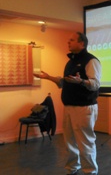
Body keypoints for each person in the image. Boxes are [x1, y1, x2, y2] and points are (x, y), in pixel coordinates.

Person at [34, 32, 101, 175]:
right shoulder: (70, 62)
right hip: (69, 107)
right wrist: (47, 77)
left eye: (71, 40)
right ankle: (72, 169)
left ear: (82, 43)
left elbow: (95, 84)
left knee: (85, 142)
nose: (68, 42)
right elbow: (63, 82)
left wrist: (81, 81)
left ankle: (90, 172)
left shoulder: (91, 61)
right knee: (70, 141)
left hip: (84, 108)